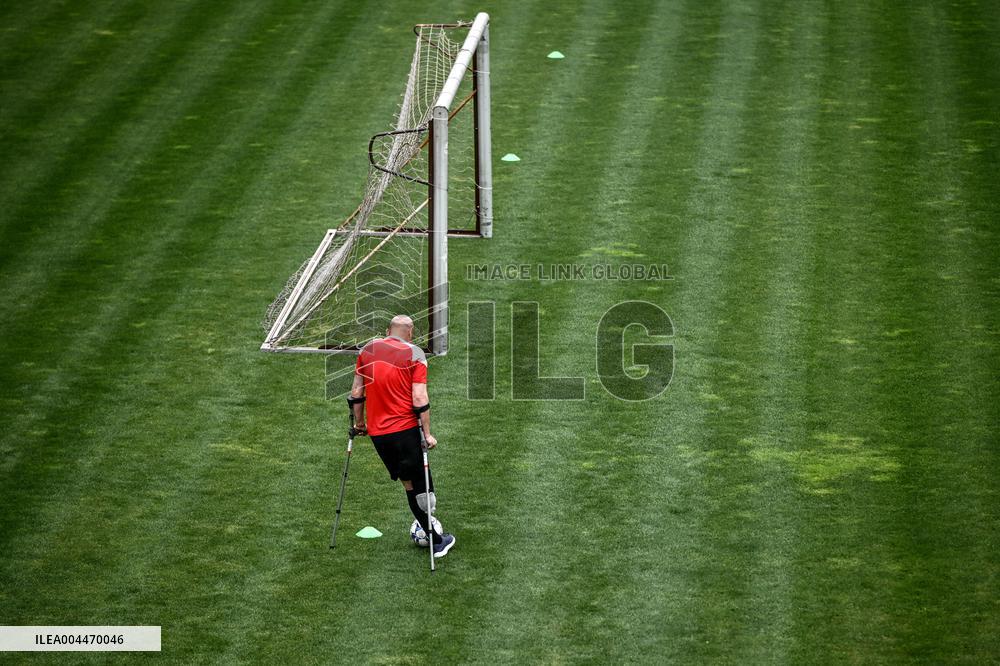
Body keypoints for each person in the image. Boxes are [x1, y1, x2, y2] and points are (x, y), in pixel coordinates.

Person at [349, 315, 456, 558]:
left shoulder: (367, 350)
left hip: (379, 434)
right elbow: (419, 398)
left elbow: (356, 392)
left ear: (388, 331)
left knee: (408, 483)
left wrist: (359, 423)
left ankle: (431, 532)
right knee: (422, 485)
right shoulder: (415, 353)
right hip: (405, 431)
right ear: (410, 333)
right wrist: (427, 434)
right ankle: (437, 542)